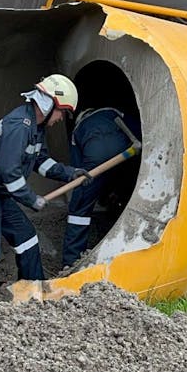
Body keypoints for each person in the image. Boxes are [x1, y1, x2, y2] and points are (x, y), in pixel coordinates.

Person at [0, 74, 89, 296]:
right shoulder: (19, 125)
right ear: (49, 105)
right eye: (62, 112)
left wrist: (70, 173)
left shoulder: (36, 129)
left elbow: (41, 161)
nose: (60, 119)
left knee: (26, 237)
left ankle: (32, 295)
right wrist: (31, 198)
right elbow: (9, 172)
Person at [61, 107, 141, 269]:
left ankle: (71, 261)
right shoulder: (112, 111)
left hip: (94, 157)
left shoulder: (77, 131)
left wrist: (85, 190)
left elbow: (79, 171)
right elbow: (139, 127)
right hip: (125, 149)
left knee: (79, 209)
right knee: (131, 185)